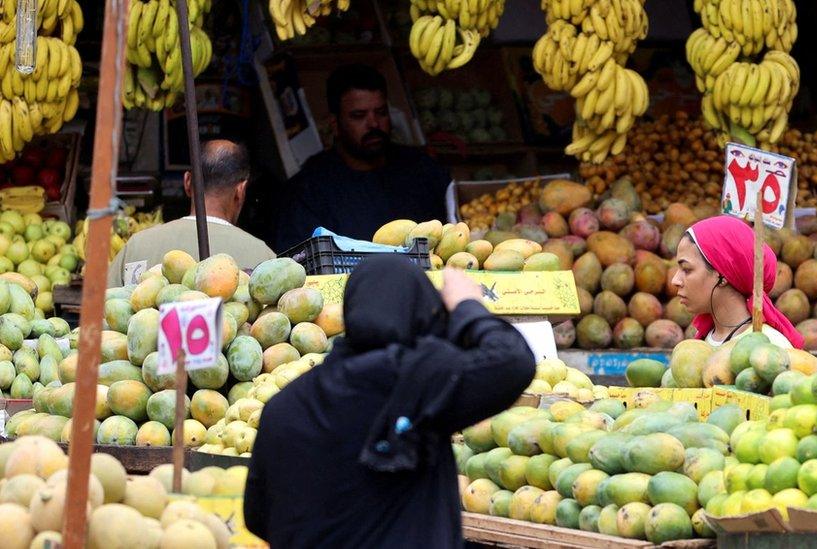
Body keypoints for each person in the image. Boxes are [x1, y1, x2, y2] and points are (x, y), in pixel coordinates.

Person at [243, 256, 535, 548]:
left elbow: (258, 516)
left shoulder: (283, 406)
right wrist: (467, 306)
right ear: (422, 313)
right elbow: (513, 362)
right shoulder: (419, 382)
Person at [274, 64, 452, 249]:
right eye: (359, 116)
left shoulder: (423, 170)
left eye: (381, 113)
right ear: (335, 124)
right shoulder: (308, 190)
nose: (374, 124)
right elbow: (297, 258)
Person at [108, 140, 276, 287]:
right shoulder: (264, 258)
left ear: (188, 182)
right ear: (241, 190)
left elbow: (100, 311)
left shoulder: (137, 246)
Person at [671, 216, 805, 348]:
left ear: (722, 276)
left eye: (687, 269)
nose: (675, 280)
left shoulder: (770, 347)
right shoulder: (701, 343)